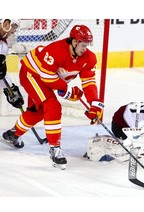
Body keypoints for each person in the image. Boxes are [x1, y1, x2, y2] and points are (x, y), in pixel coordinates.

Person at [2, 24, 104, 170]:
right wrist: (67, 90)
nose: (85, 48)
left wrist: (94, 103)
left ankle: (12, 134)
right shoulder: (56, 50)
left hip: (46, 78)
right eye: (83, 45)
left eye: (87, 45)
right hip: (32, 74)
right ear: (74, 42)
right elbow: (47, 78)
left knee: (39, 111)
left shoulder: (89, 58)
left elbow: (89, 83)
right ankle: (55, 149)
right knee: (52, 105)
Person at [0, 19, 24, 109]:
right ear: (6, 24)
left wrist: (11, 90)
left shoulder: (3, 46)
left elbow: (1, 75)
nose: (13, 31)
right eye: (13, 27)